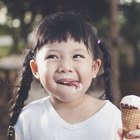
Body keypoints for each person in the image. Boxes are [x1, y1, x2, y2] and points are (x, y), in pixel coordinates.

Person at [7, 11, 140, 140]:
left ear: (94, 68)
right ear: (36, 69)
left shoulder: (113, 118)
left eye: (77, 56)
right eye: (52, 56)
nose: (65, 67)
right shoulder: (28, 118)